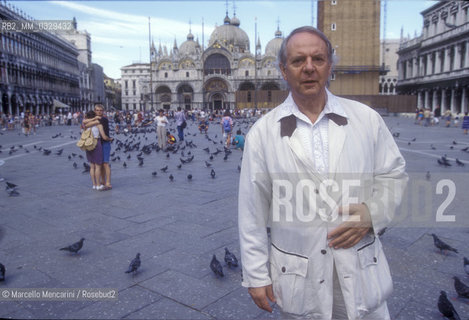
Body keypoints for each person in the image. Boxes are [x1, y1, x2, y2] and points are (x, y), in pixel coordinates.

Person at [238, 26, 408, 320]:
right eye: (297, 60)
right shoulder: (262, 133)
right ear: (283, 69)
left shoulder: (366, 119)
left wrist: (373, 213)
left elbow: (394, 175)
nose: (308, 68)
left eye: (318, 59)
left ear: (330, 66)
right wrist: (255, 275)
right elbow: (251, 209)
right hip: (299, 273)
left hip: (359, 264)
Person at [83, 104, 113, 191]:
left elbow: (85, 123)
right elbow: (85, 123)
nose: (99, 112)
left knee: (105, 163)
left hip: (104, 143)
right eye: (97, 110)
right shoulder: (95, 119)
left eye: (100, 110)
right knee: (100, 164)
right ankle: (102, 181)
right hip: (97, 144)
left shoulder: (103, 119)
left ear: (103, 111)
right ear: (94, 111)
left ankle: (107, 182)